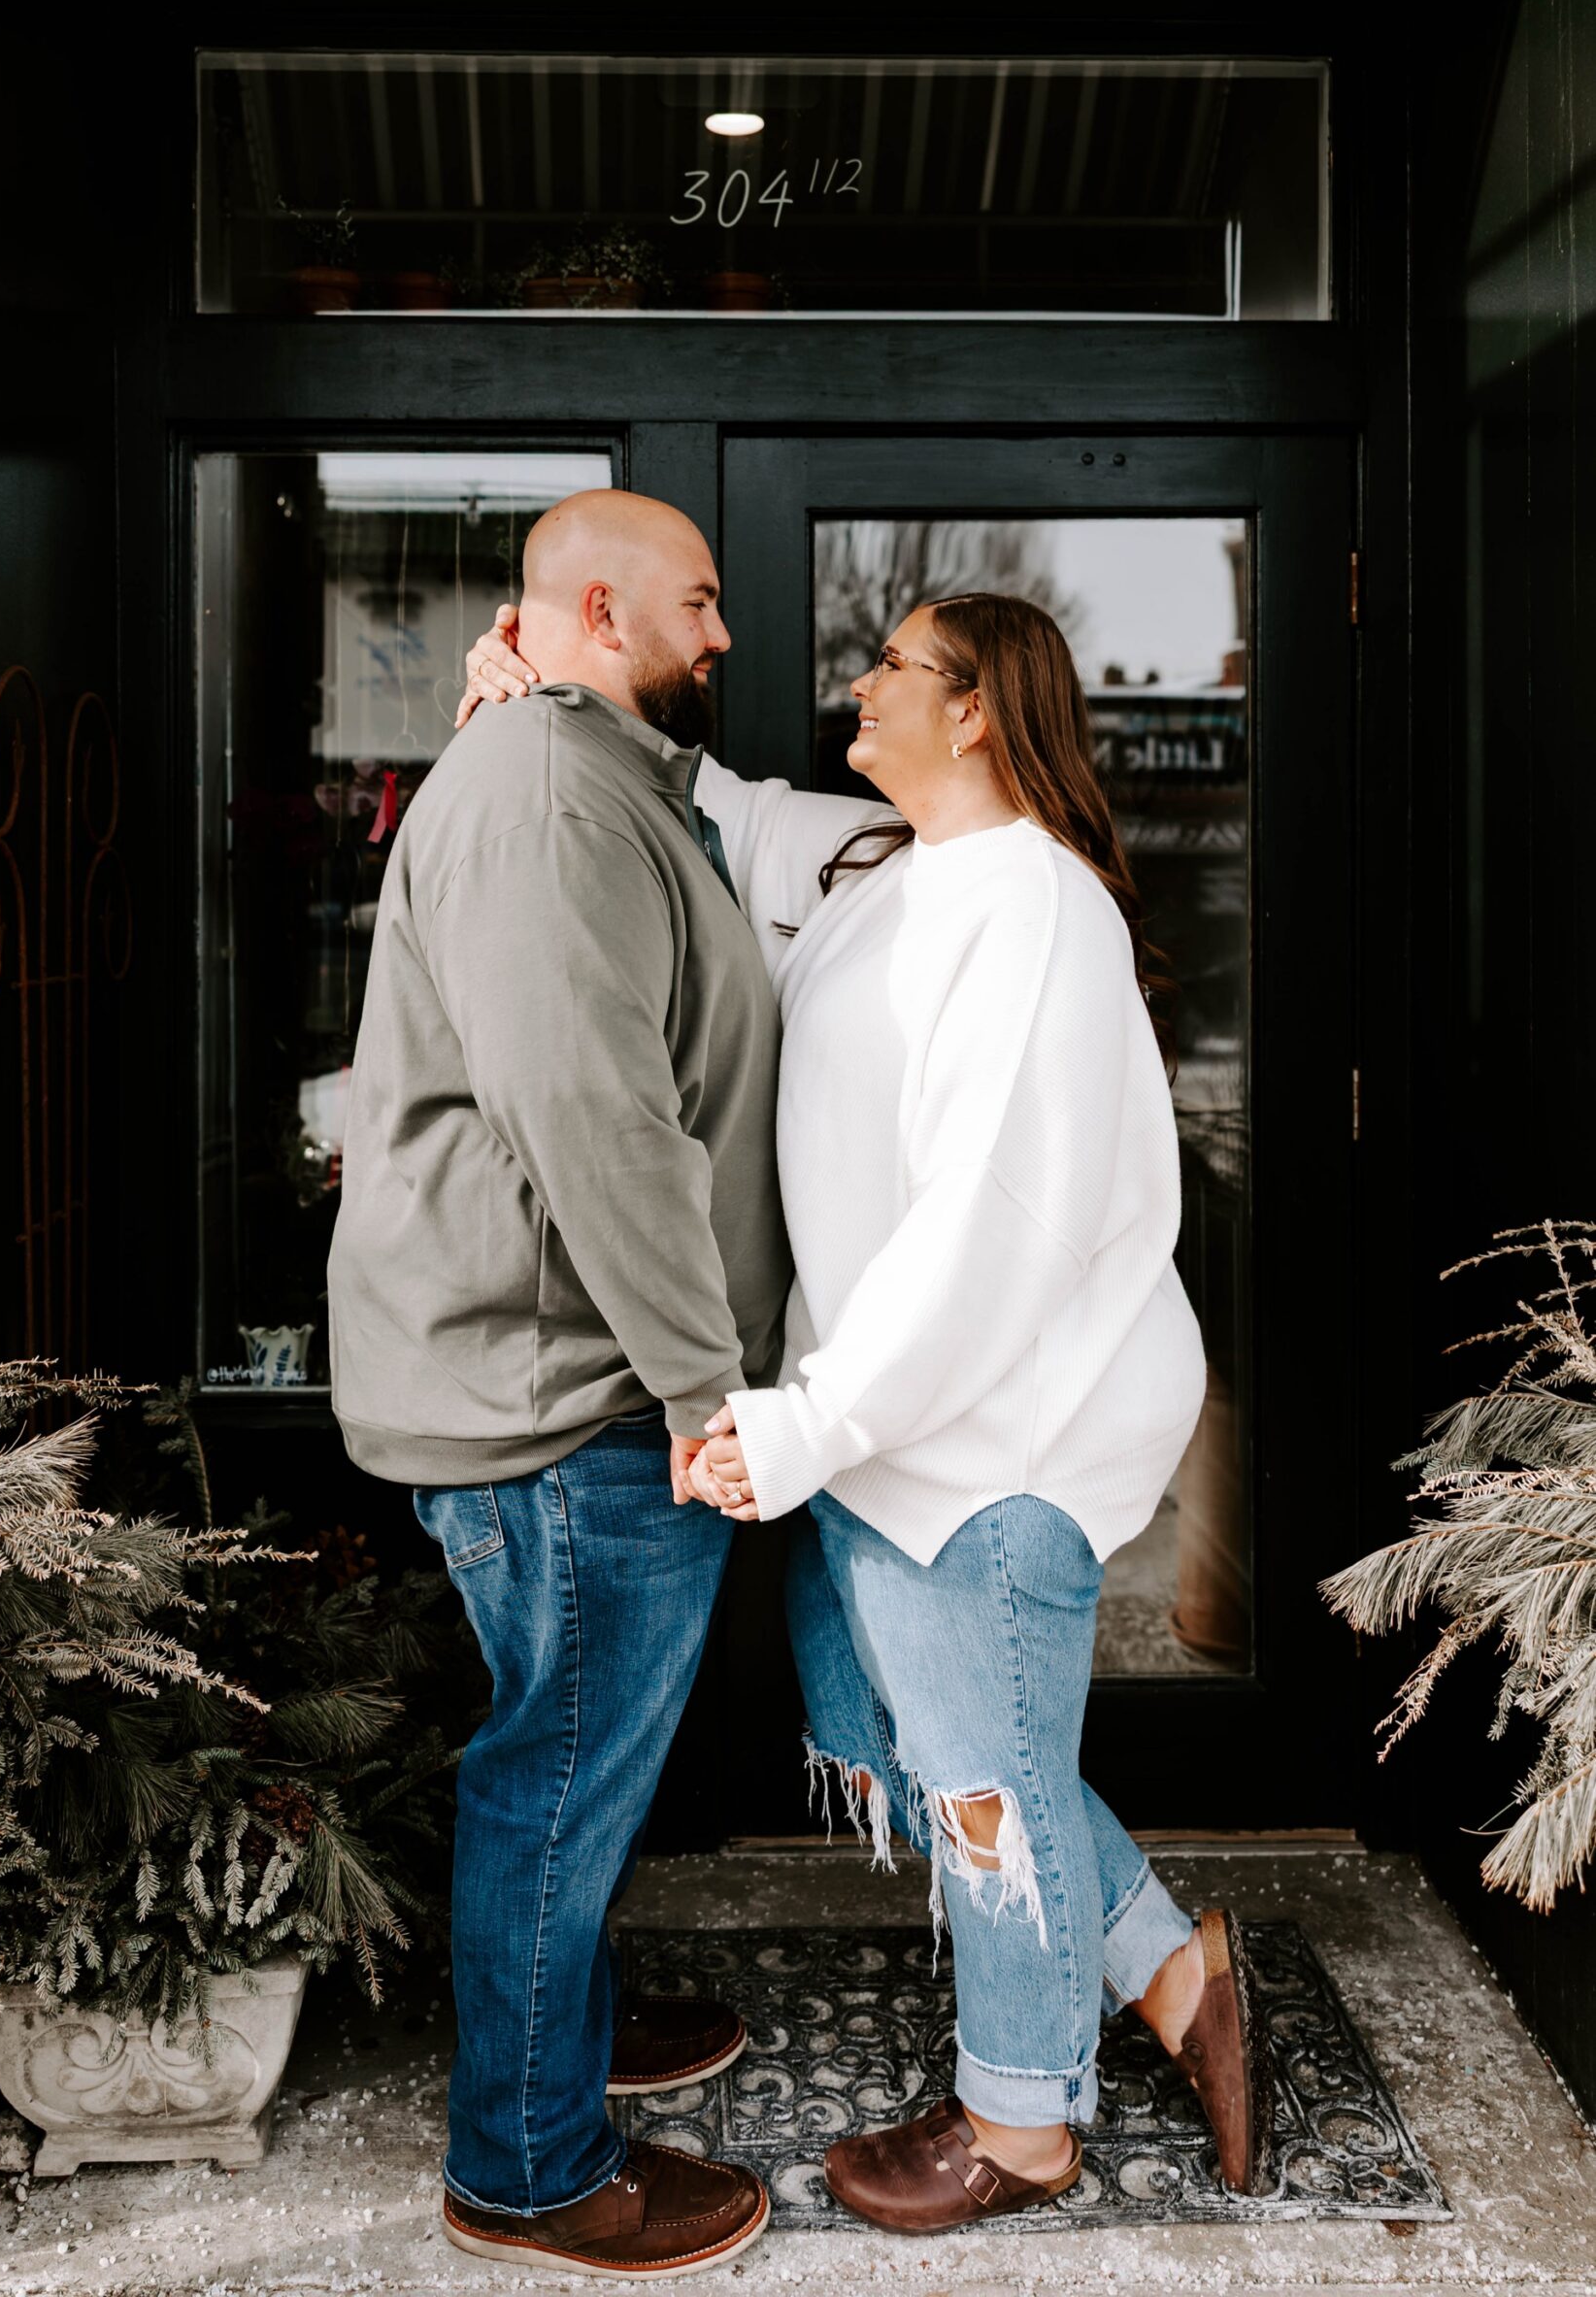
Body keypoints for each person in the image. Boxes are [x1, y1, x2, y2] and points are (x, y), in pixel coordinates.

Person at [463, 583, 1276, 2232]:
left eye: (896, 665)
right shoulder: (880, 866)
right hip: (887, 1439)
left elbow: (994, 1236)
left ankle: (1024, 2125)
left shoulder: (1036, 912)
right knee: (939, 1751)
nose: (860, 680)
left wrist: (806, 1424)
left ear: (976, 708)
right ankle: (1178, 1982)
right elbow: (706, 804)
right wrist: (541, 686)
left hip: (989, 1444)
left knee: (981, 1784)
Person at [329, 489, 783, 2279]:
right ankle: (525, 2164)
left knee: (566, 1759)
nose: (725, 634)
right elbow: (596, 1123)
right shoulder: (536, 795)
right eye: (701, 602)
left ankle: (563, 2026)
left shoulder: (583, 775)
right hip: (570, 1401)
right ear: (599, 609)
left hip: (571, 1379)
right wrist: (701, 1394)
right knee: (559, 1772)